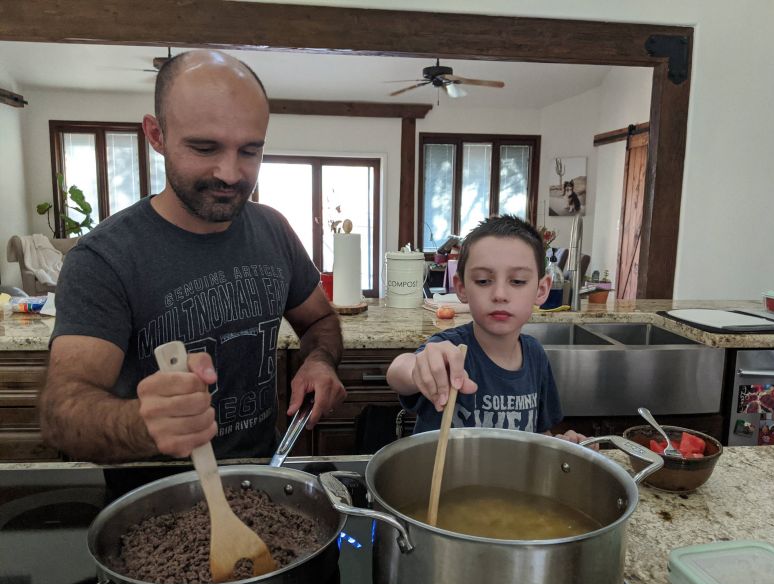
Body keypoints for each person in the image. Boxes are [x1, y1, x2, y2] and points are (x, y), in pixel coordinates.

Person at [38, 50, 346, 464]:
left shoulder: (273, 229)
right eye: (204, 148)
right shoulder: (104, 258)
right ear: (156, 135)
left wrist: (320, 361)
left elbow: (320, 320)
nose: (231, 173)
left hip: (264, 477)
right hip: (154, 500)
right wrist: (137, 423)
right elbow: (62, 411)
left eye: (250, 151)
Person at [386, 214, 586, 443]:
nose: (500, 294)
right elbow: (397, 373)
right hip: (443, 479)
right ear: (461, 287)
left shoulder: (535, 356)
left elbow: (539, 435)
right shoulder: (452, 350)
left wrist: (561, 445)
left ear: (541, 290)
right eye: (483, 281)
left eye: (518, 281)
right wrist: (417, 368)